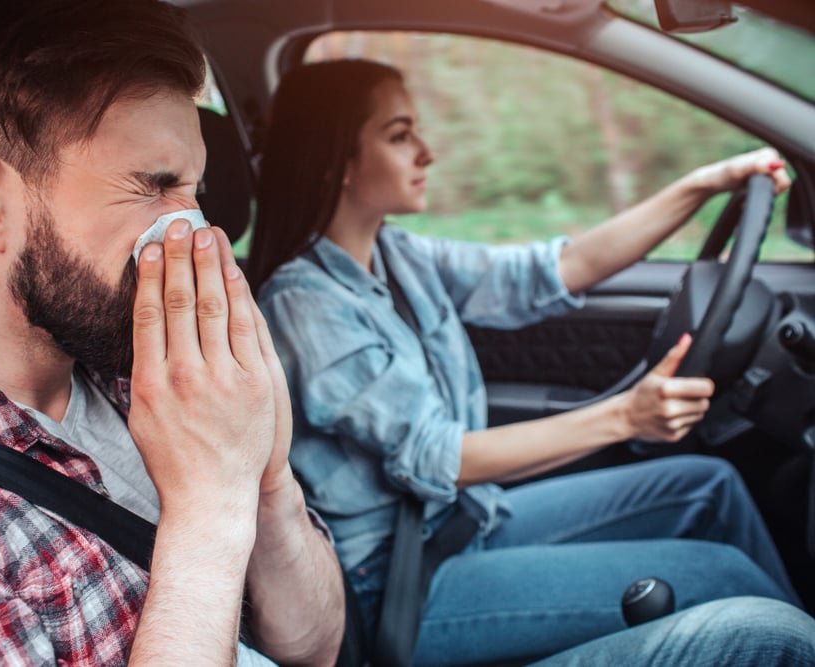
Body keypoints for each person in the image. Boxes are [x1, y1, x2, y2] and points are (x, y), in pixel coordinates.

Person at [0, 1, 345, 665]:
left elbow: (316, 647)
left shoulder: (146, 366)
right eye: (153, 186)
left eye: (195, 189)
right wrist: (208, 504)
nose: (200, 231)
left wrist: (265, 480)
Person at [248, 59, 815, 665]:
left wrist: (700, 186)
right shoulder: (303, 303)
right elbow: (440, 457)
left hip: (463, 520)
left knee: (711, 487)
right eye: (399, 134)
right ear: (339, 160)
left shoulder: (396, 254)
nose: (427, 152)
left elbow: (555, 271)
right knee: (723, 577)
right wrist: (626, 416)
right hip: (395, 581)